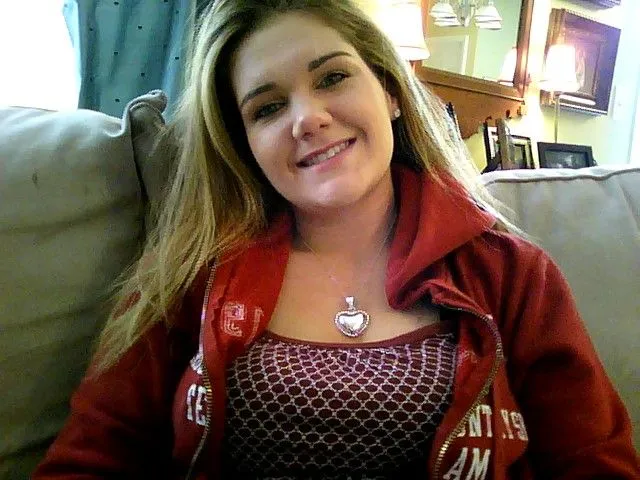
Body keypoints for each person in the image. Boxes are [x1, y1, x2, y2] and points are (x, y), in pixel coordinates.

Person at [34, 0, 639, 478]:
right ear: (243, 144)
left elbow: (594, 462)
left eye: (332, 77)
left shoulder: (512, 273)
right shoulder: (190, 274)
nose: (307, 118)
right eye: (267, 108)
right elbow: (91, 457)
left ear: (390, 92)